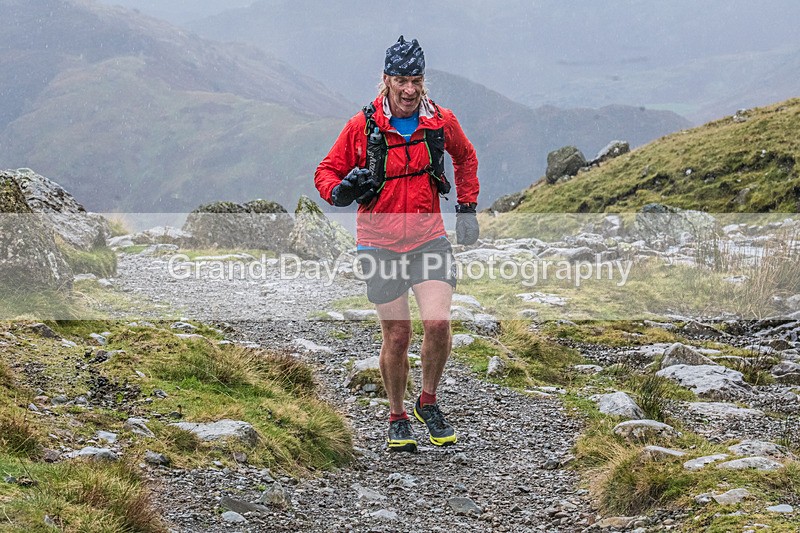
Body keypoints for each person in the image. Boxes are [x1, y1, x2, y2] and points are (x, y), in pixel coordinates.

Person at [315, 36, 479, 453]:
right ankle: (396, 415)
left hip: (428, 238)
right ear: (386, 80)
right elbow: (326, 172)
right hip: (379, 243)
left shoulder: (440, 121)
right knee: (399, 335)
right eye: (402, 80)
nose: (409, 89)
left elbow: (466, 157)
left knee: (439, 323)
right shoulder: (362, 126)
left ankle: (427, 401)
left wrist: (467, 206)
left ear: (425, 81)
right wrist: (341, 192)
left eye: (417, 80)